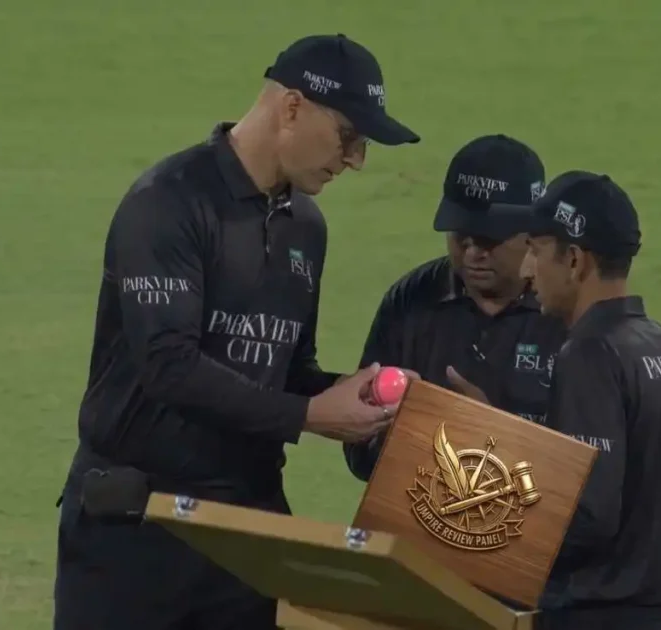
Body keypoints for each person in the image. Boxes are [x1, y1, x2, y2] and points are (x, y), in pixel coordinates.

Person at [51, 34, 420, 630]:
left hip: (246, 533)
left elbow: (287, 369)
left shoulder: (306, 228)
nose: (356, 160)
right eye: (349, 137)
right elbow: (168, 364)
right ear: (293, 107)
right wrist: (307, 415)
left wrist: (352, 396)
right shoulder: (167, 203)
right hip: (136, 529)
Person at [453, 170, 661, 629]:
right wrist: (506, 433)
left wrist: (475, 531)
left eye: (535, 250)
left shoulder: (589, 354)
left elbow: (587, 514)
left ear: (574, 260)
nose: (528, 270)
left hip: (599, 616)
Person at [343, 134, 569, 482]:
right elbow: (359, 454)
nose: (472, 253)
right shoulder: (411, 300)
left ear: (532, 232)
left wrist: (485, 431)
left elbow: (584, 482)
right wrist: (398, 432)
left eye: (490, 238)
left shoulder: (565, 314)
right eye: (461, 235)